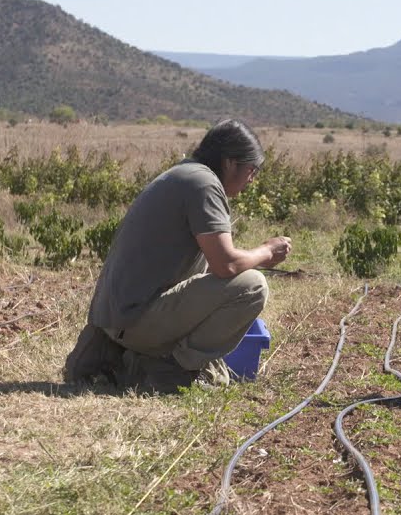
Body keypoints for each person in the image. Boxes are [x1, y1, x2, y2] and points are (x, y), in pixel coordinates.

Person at [63, 119, 291, 392]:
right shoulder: (204, 185)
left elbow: (210, 267)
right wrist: (266, 251)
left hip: (116, 319)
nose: (252, 179)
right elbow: (226, 264)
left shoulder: (185, 175)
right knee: (252, 286)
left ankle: (124, 358)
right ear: (230, 163)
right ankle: (171, 370)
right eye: (252, 170)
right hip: (134, 321)